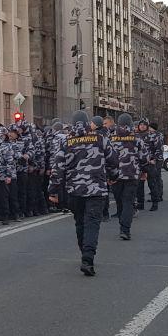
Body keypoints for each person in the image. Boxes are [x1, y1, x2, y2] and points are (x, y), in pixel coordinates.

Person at [49, 110, 118, 277]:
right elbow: (113, 160)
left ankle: (83, 251)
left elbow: (58, 168)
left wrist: (53, 190)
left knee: (80, 222)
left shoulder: (66, 141)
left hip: (75, 191)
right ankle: (88, 258)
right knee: (92, 223)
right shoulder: (100, 138)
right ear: (88, 123)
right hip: (96, 190)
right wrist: (113, 177)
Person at [107, 114, 149, 241]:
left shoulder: (111, 138)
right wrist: (144, 171)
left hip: (116, 175)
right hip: (132, 175)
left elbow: (106, 158)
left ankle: (122, 223)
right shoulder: (137, 138)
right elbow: (144, 157)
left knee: (119, 201)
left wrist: (109, 175)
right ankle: (125, 229)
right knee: (128, 202)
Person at [136, 121, 165, 211]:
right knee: (139, 184)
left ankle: (155, 203)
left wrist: (154, 159)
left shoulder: (153, 135)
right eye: (140, 125)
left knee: (152, 183)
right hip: (140, 163)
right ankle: (140, 203)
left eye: (144, 125)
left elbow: (159, 148)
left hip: (150, 162)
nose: (142, 126)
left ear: (147, 126)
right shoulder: (136, 135)